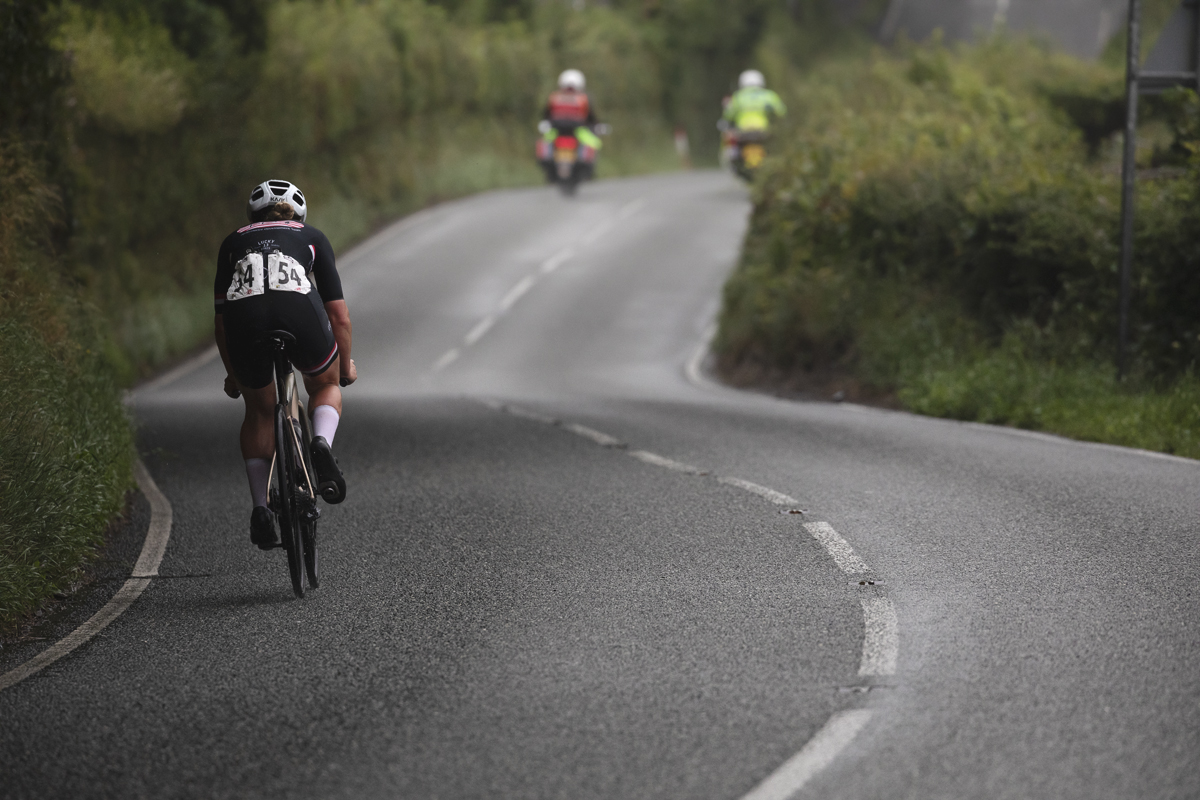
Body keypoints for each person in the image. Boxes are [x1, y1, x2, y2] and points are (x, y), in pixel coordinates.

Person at [213, 179, 357, 549]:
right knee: (324, 385)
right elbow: (338, 316)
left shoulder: (232, 243)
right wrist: (343, 369)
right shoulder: (312, 236)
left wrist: (233, 373)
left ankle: (261, 507)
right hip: (297, 312)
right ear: (299, 211)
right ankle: (321, 443)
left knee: (260, 412)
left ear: (252, 215)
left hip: (245, 320)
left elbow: (221, 321)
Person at [540, 69, 603, 162]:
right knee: (593, 142)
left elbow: (546, 114)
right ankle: (585, 161)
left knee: (545, 141)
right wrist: (594, 125)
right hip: (578, 130)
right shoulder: (583, 98)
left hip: (556, 129)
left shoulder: (554, 97)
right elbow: (591, 116)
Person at [722, 69, 786, 135]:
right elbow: (782, 111)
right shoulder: (769, 95)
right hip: (763, 131)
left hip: (742, 132)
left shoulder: (737, 97)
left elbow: (728, 114)